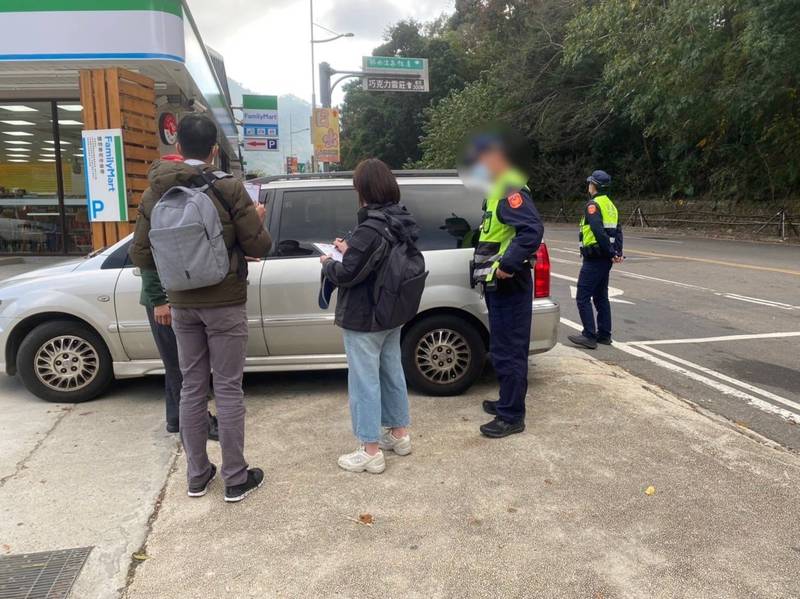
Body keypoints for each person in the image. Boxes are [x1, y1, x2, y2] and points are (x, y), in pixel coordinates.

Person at [130, 114, 271, 502]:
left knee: (192, 387)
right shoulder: (228, 188)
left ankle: (197, 475)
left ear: (177, 149)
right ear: (213, 150)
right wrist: (257, 221)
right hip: (225, 301)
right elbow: (259, 247)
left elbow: (140, 253)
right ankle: (236, 478)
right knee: (227, 387)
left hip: (182, 305)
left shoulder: (154, 192)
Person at [320, 158, 416, 474]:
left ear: (363, 189)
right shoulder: (399, 220)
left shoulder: (369, 228)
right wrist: (350, 250)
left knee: (364, 381)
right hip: (392, 312)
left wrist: (328, 261)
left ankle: (370, 449)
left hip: (365, 315)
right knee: (391, 370)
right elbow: (376, 261)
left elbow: (348, 274)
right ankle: (399, 434)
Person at [466, 133, 544, 439]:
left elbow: (531, 230)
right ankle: (506, 402)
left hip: (511, 283)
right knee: (501, 348)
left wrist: (507, 266)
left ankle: (512, 416)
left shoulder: (510, 189)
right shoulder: (497, 190)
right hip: (499, 285)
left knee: (510, 350)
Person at [139, 153, 217, 440]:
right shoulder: (157, 198)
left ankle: (175, 420)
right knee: (182, 367)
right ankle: (197, 423)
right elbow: (145, 254)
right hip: (165, 297)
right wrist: (159, 299)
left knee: (175, 364)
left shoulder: (156, 195)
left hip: (170, 294)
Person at [568, 170, 624, 350]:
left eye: (590, 183)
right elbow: (618, 231)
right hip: (605, 258)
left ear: (595, 186)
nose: (588, 186)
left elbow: (598, 231)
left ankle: (589, 335)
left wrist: (610, 252)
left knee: (582, 296)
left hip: (595, 257)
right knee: (601, 296)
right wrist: (617, 252)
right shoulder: (611, 206)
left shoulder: (593, 205)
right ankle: (604, 335)